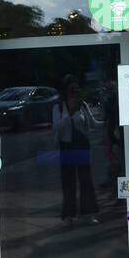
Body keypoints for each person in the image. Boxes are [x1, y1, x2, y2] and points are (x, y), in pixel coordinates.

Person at [52, 75, 99, 224]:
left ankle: (89, 213)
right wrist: (70, 113)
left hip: (82, 145)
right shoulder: (58, 107)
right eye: (71, 90)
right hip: (67, 146)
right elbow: (56, 127)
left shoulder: (83, 105)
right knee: (68, 181)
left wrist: (113, 121)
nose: (74, 93)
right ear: (65, 91)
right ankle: (69, 215)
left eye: (76, 90)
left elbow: (93, 123)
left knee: (86, 180)